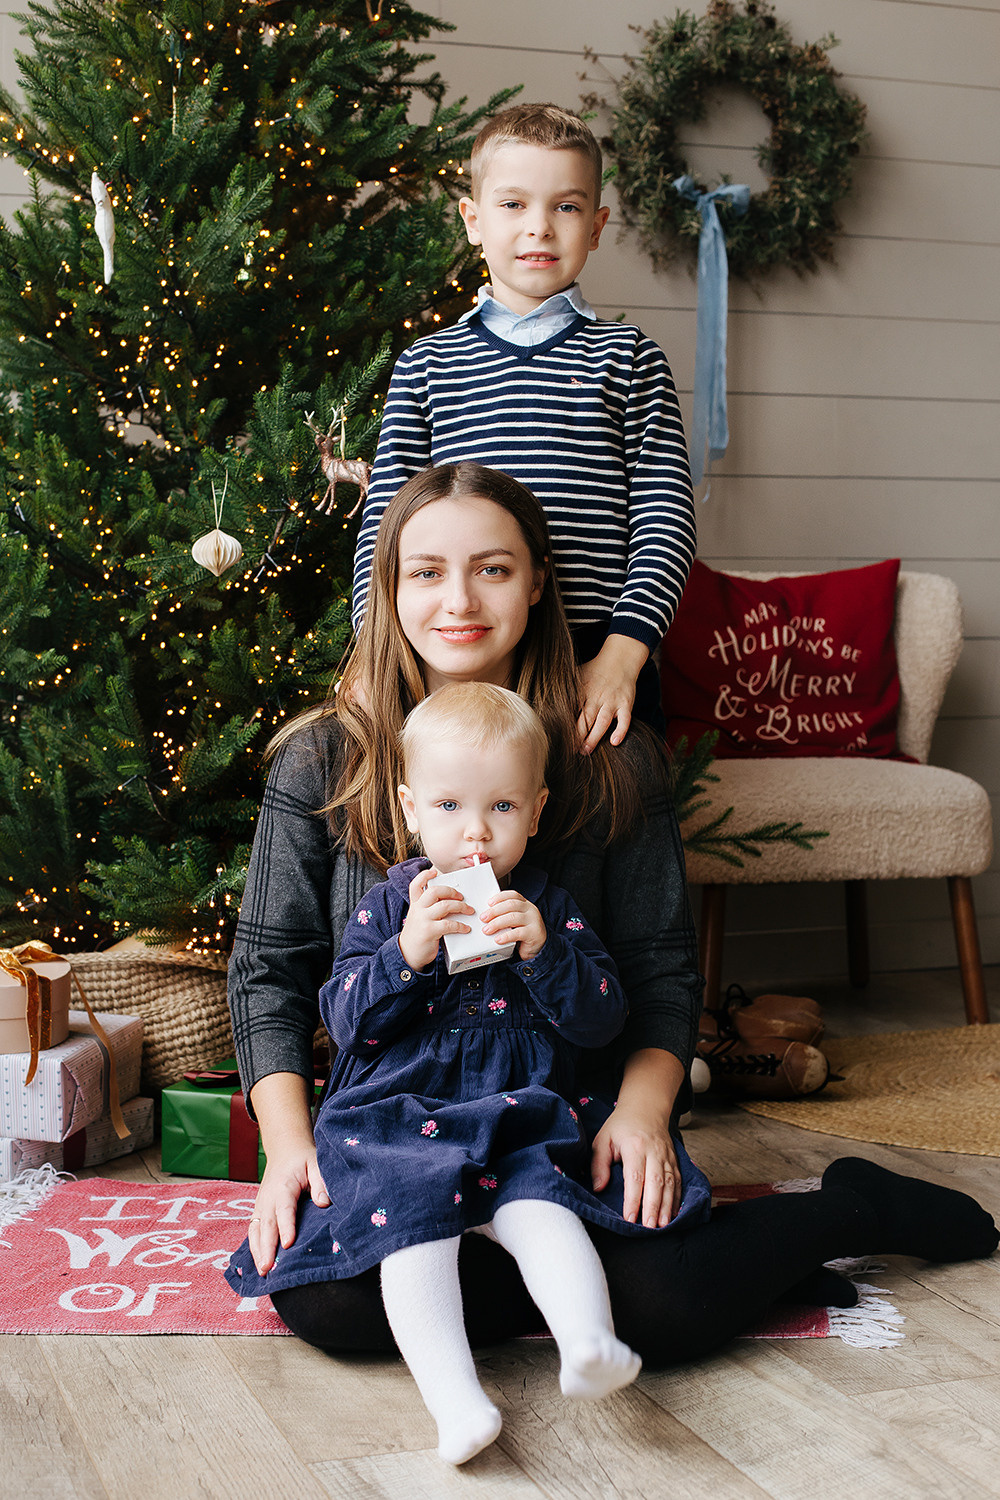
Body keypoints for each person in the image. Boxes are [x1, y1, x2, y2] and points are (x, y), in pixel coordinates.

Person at [225, 462, 998, 1410]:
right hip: (397, 1129)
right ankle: (688, 1276)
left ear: (539, 581)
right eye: (425, 571)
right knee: (330, 1308)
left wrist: (639, 1114)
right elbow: (269, 970)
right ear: (386, 589)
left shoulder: (609, 756)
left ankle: (849, 1205)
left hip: (564, 1118)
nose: (457, 600)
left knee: (663, 1307)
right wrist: (288, 1140)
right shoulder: (323, 756)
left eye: (493, 569)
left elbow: (664, 971)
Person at [257, 680, 680, 1463]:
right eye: (450, 807)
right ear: (411, 807)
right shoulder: (390, 907)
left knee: (542, 1205)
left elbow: (605, 1016)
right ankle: (456, 1405)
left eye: (503, 809)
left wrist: (547, 951)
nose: (475, 835)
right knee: (410, 1234)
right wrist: (407, 954)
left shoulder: (546, 907)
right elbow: (343, 1018)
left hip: (516, 1117)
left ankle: (586, 1342)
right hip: (401, 1124)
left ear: (539, 810)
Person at [350, 102, 697, 752]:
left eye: (565, 207)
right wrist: (372, 655)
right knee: (473, 834)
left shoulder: (628, 358)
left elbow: (666, 520)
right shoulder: (427, 364)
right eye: (513, 205)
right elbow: (386, 524)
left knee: (604, 828)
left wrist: (624, 655)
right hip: (462, 655)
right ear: (473, 221)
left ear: (596, 227)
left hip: (596, 655)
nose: (539, 227)